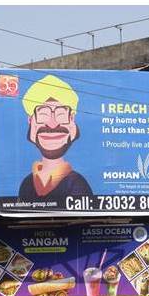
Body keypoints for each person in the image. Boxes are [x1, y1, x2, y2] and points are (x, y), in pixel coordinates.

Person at [18, 74, 93, 205]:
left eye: (61, 114)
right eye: (43, 114)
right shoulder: (27, 183)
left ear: (72, 120)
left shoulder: (76, 183)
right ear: (30, 121)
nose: (52, 124)